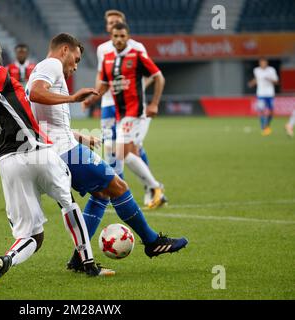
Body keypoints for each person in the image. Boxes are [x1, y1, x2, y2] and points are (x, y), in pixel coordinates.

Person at [0, 35, 112, 287]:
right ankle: (88, 263)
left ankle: (7, 259)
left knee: (33, 236)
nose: (0, 54)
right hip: (37, 151)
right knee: (68, 203)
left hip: (9, 163)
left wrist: (75, 135)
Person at [27, 33, 188, 273]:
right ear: (64, 50)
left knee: (102, 193)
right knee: (118, 186)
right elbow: (36, 94)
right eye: (76, 59)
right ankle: (152, 242)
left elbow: (45, 121)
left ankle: (79, 259)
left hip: (60, 147)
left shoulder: (41, 68)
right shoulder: (51, 65)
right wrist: (72, 98)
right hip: (66, 152)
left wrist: (80, 136)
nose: (76, 65)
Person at [84, 9, 164, 207]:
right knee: (112, 148)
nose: (116, 31)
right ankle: (121, 189)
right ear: (108, 30)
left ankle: (152, 188)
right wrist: (92, 97)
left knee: (128, 150)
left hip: (134, 108)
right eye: (112, 25)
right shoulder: (105, 52)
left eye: (119, 27)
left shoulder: (136, 50)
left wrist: (149, 100)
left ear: (126, 32)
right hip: (113, 108)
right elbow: (104, 81)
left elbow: (154, 75)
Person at [248, 58, 279, 136]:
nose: (263, 64)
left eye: (264, 62)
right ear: (259, 63)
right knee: (261, 110)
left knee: (271, 111)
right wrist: (252, 83)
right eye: (261, 63)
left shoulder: (271, 70)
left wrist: (269, 79)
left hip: (270, 93)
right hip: (260, 94)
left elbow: (276, 81)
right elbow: (257, 79)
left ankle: (267, 124)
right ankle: (263, 126)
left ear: (266, 63)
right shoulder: (256, 70)